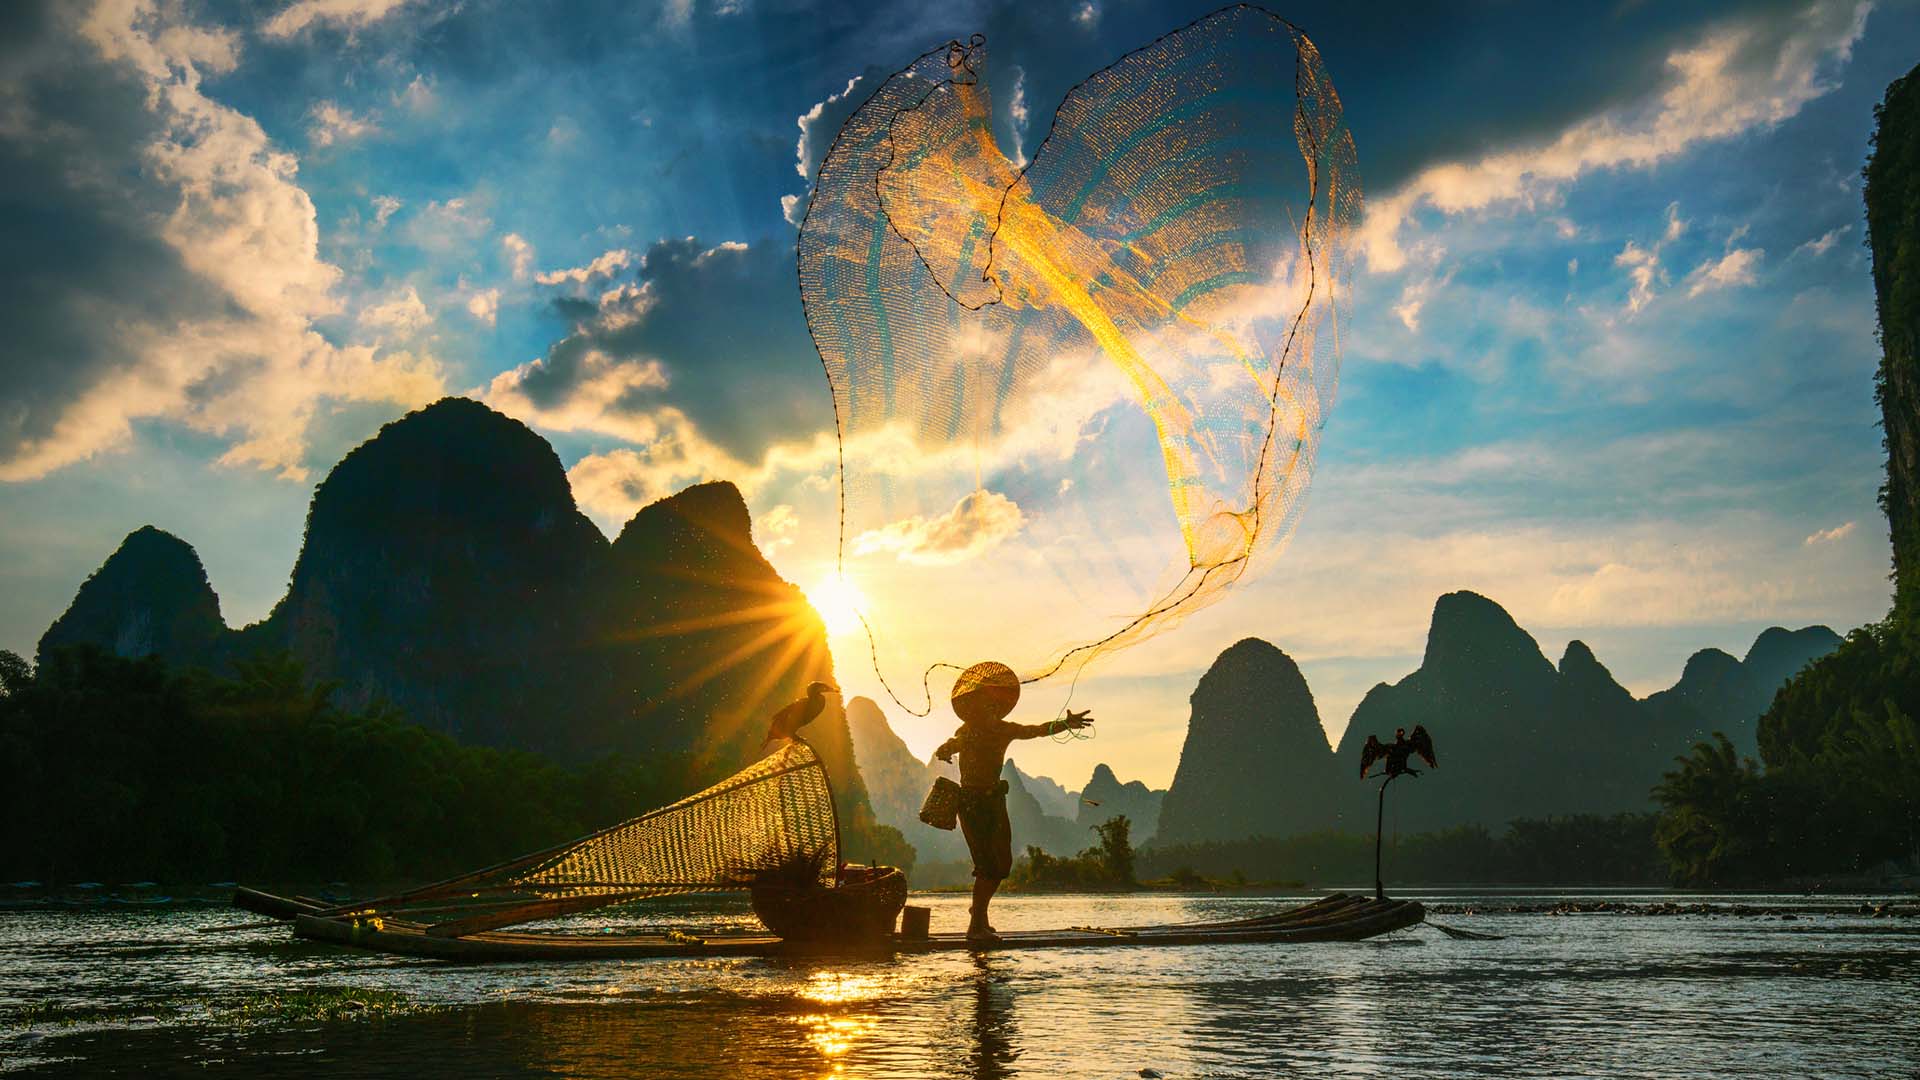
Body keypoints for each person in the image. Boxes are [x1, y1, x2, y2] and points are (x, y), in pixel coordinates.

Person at [933, 660, 1093, 943]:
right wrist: (944, 750)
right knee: (986, 866)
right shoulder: (968, 732)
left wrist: (1065, 724)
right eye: (984, 701)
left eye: (993, 702)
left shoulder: (1005, 730)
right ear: (975, 705)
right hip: (972, 803)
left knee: (1001, 864)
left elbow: (1037, 729)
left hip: (995, 802)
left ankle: (978, 914)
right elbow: (949, 745)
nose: (990, 706)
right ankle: (976, 926)